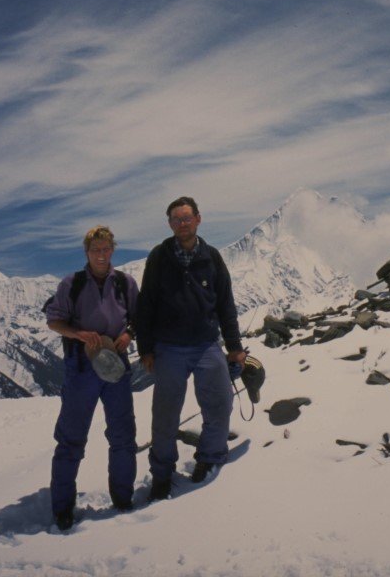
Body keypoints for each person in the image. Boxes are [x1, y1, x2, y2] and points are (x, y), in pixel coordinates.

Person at [134, 196, 246, 500]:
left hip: (207, 344)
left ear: (198, 219)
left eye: (187, 218)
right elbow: (146, 305)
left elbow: (226, 305)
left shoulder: (211, 257)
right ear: (170, 224)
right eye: (176, 219)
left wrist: (234, 348)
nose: (182, 224)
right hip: (169, 347)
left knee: (220, 403)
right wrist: (145, 348)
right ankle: (161, 473)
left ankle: (210, 458)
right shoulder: (159, 257)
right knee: (165, 414)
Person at [44, 225, 139, 531]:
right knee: (71, 438)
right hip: (82, 367)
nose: (101, 254)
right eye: (95, 249)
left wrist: (128, 334)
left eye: (106, 248)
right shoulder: (72, 284)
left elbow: (138, 318)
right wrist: (78, 334)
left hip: (116, 364)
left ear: (113, 250)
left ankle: (123, 499)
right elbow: (54, 321)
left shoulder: (125, 283)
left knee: (123, 435)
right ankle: (62, 508)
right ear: (87, 252)